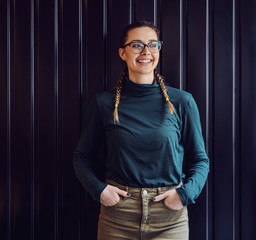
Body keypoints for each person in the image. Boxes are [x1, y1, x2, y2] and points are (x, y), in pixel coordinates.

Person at [73, 21, 209, 240]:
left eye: (152, 44)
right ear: (122, 53)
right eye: (136, 45)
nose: (146, 51)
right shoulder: (103, 103)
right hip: (117, 216)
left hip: (169, 218)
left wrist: (184, 195)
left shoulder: (182, 101)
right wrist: (99, 190)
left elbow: (200, 160)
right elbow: (82, 157)